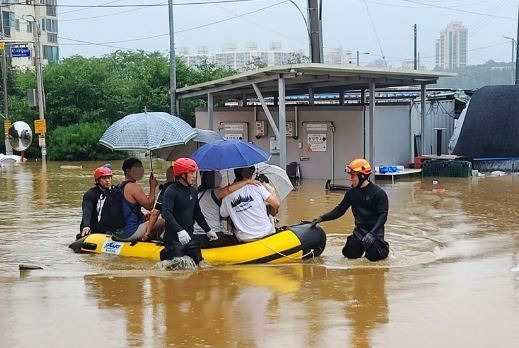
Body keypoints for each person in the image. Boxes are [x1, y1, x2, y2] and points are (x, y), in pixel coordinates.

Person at [311, 158, 390, 261]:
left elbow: (383, 216)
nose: (351, 179)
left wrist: (372, 234)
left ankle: (383, 247)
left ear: (362, 176)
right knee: (349, 254)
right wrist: (321, 218)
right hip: (359, 232)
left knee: (373, 257)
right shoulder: (351, 193)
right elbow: (339, 210)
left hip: (375, 233)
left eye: (353, 176)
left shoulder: (379, 194)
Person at [161, 158, 217, 263]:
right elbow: (166, 213)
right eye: (191, 172)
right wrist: (179, 230)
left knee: (199, 265)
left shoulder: (193, 190)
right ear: (182, 175)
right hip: (174, 240)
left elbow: (197, 213)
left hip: (189, 239)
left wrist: (208, 230)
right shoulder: (171, 190)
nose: (194, 176)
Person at [193, 171, 263, 247]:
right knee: (233, 240)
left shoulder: (197, 193)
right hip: (213, 234)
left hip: (196, 235)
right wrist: (247, 181)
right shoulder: (215, 192)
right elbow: (229, 189)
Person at [220, 166, 281, 243]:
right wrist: (272, 191)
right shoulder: (258, 186)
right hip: (266, 232)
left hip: (244, 238)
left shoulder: (226, 197)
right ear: (250, 174)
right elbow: (276, 204)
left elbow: (223, 214)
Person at [116, 157, 163, 241]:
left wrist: (142, 216)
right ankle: (153, 239)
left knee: (149, 218)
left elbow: (127, 209)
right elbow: (149, 206)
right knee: (162, 221)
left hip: (117, 233)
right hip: (130, 233)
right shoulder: (133, 186)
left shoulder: (119, 186)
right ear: (128, 171)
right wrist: (152, 187)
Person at [142, 165, 175, 241]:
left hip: (172, 228)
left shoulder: (165, 190)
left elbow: (155, 213)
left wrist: (147, 233)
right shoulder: (191, 189)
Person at [79, 166, 113, 238]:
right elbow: (87, 210)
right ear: (97, 181)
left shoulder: (114, 192)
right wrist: (86, 226)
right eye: (104, 178)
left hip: (106, 226)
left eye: (109, 178)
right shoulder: (90, 194)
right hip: (92, 227)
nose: (107, 180)